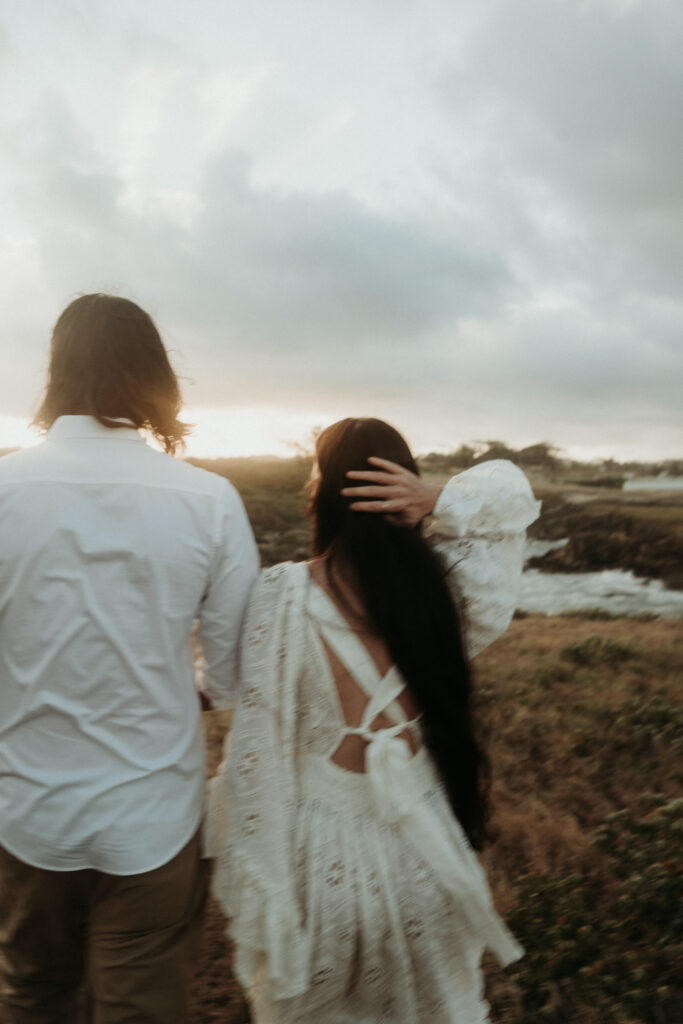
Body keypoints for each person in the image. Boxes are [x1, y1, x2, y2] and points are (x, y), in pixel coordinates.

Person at [206, 417, 541, 1023]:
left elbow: (257, 747)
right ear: (402, 490)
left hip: (317, 860)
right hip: (425, 852)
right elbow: (511, 496)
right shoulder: (449, 589)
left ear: (324, 491)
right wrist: (440, 499)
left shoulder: (283, 594)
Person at [0, 294, 259, 1023]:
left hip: (25, 807)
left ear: (55, 373)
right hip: (153, 810)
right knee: (140, 1009)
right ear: (155, 374)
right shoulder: (209, 499)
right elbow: (233, 670)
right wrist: (192, 683)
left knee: (32, 994)